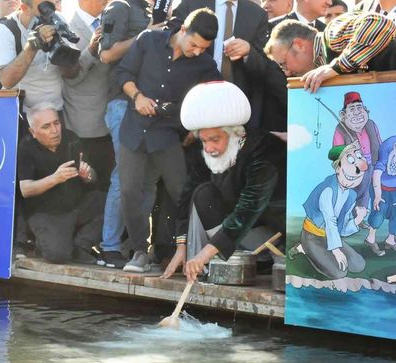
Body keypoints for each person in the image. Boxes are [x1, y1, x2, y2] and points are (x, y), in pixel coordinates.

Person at [116, 8, 221, 272]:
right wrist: (138, 97)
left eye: (204, 48)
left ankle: (202, 253)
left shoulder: (206, 64)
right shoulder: (148, 40)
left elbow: (215, 101)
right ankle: (139, 252)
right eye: (194, 44)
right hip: (133, 130)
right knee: (129, 192)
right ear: (183, 30)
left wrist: (195, 130)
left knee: (182, 192)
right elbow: (124, 74)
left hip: (167, 135)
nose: (197, 51)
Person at [160, 81, 286, 281]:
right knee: (202, 193)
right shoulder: (206, 151)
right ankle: (235, 255)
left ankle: (262, 260)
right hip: (237, 233)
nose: (208, 148)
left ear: (235, 133)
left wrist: (203, 255)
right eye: (204, 141)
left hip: (277, 232)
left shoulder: (264, 149)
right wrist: (181, 247)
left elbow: (248, 208)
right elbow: (187, 196)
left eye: (215, 139)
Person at [96, 0, 156, 269]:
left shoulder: (152, 11)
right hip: (122, 103)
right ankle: (109, 248)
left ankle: (136, 247)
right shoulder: (119, 6)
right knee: (124, 177)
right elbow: (106, 53)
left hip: (151, 107)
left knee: (149, 181)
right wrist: (148, 35)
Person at [265, 13, 396, 93]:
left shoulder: (332, 34)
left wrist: (335, 68)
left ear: (298, 44)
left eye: (283, 63)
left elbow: (377, 23)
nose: (287, 72)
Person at [172, 0, 285, 133]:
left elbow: (266, 64)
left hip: (235, 105)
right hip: (193, 95)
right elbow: (173, 40)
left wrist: (249, 51)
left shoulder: (256, 13)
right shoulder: (192, 3)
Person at [17, 103, 104, 264]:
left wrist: (87, 174)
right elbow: (26, 189)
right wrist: (55, 178)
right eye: (46, 126)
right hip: (45, 213)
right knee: (57, 255)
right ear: (33, 132)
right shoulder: (26, 147)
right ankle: (42, 242)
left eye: (56, 123)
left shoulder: (71, 138)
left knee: (110, 203)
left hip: (76, 207)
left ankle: (81, 245)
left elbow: (94, 178)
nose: (54, 130)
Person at [292, 144, 368, 280]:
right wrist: (336, 250)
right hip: (313, 236)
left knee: (358, 265)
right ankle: (303, 248)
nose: (358, 168)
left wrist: (358, 219)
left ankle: (320, 251)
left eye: (358, 158)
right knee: (339, 273)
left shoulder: (351, 195)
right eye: (351, 160)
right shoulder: (327, 190)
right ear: (338, 168)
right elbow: (330, 220)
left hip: (330, 237)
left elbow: (342, 229)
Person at [62, 0, 113, 196]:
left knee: (109, 189)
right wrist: (91, 49)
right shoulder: (65, 28)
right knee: (85, 193)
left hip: (112, 125)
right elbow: (70, 78)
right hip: (83, 129)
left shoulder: (114, 20)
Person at [0, 0, 63, 113]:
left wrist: (63, 47)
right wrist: (32, 46)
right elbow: (7, 81)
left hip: (55, 111)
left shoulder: (58, 20)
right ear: (24, 8)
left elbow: (72, 73)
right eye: (43, 8)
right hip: (22, 113)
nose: (48, 13)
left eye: (51, 7)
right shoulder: (6, 28)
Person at [332, 91, 381, 218]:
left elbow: (379, 142)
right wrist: (350, 148)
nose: (357, 112)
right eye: (352, 109)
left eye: (359, 108)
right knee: (352, 193)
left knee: (366, 194)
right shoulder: (340, 129)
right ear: (344, 114)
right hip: (352, 169)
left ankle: (360, 218)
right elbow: (335, 152)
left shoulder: (371, 124)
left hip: (371, 165)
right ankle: (346, 217)